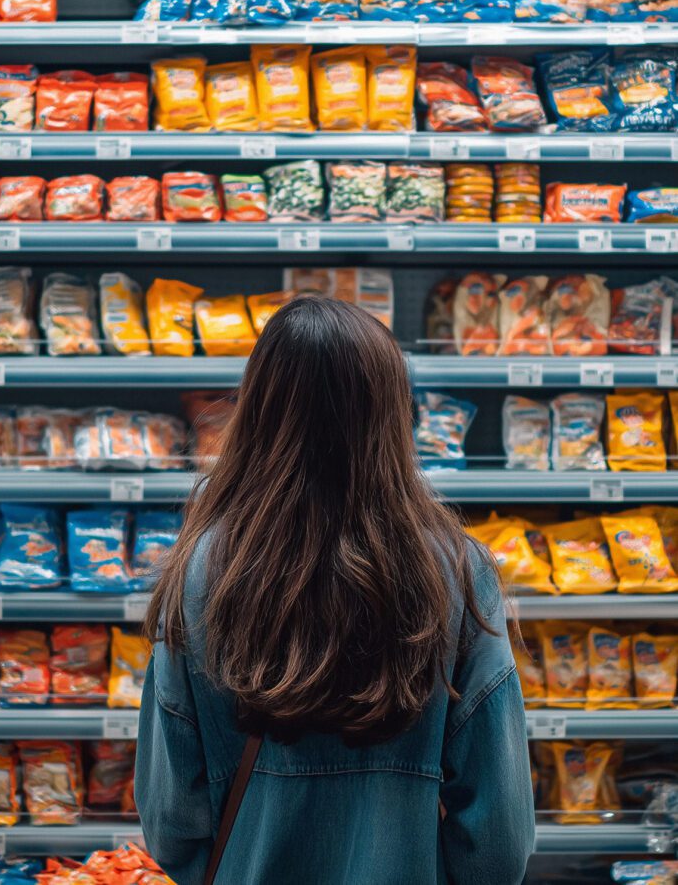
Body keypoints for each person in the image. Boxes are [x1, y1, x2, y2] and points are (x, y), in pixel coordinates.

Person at [136, 296, 535, 885]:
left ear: (258, 407)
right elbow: (499, 837)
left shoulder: (201, 568)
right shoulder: (457, 569)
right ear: (391, 413)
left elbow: (171, 817)